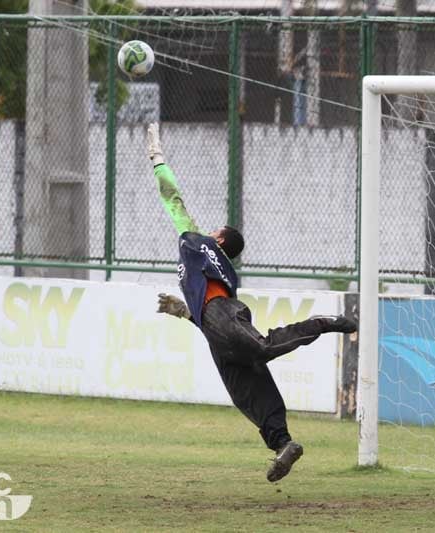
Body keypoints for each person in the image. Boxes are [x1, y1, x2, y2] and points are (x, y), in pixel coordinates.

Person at [146, 123, 357, 482]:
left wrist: (157, 160)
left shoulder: (199, 244)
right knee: (250, 393)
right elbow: (207, 306)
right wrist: (184, 312)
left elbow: (172, 197)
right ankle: (284, 445)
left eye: (215, 231)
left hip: (223, 320)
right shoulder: (213, 261)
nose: (209, 230)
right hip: (218, 330)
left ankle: (322, 323)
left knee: (262, 350)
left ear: (219, 239)